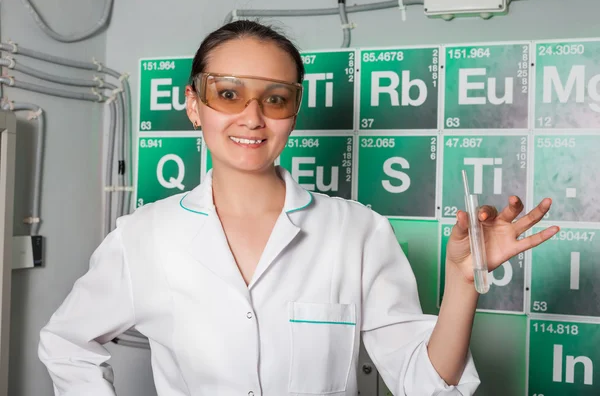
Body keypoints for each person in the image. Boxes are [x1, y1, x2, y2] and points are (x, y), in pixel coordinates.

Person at [38, 20, 559, 396]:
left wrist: (463, 282)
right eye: (227, 94)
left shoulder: (356, 231)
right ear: (194, 104)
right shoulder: (143, 236)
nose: (252, 116)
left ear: (294, 110)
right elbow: (66, 343)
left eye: (275, 98)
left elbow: (424, 385)